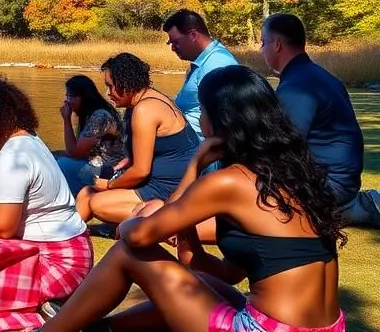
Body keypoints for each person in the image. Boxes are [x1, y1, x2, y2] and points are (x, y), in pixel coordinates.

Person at [38, 65, 345, 332]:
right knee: (208, 284)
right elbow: (224, 272)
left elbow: (139, 236)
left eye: (203, 110)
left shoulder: (231, 181)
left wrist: (139, 217)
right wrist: (182, 225)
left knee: (126, 253)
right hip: (325, 327)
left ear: (220, 119)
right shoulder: (292, 176)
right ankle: (101, 329)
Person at [0, 77, 92, 305]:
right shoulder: (28, 139)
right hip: (69, 251)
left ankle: (52, 309)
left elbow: (2, 227)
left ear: (1, 115)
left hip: (60, 262)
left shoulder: (12, 157)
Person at [260, 12, 380, 228]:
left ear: (277, 45)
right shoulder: (318, 76)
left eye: (263, 42)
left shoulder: (297, 87)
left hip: (328, 186)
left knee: (245, 196)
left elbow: (281, 147)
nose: (261, 49)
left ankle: (351, 210)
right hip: (341, 180)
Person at [76, 53, 198, 227]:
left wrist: (110, 185)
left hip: (170, 189)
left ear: (126, 85)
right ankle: (67, 233)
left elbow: (141, 171)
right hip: (158, 182)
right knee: (85, 192)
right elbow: (153, 151)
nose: (108, 93)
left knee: (96, 203)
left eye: (110, 86)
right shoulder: (145, 99)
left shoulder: (145, 109)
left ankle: (163, 215)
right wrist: (127, 162)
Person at [162, 9, 238, 138]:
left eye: (176, 42)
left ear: (193, 35)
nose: (173, 48)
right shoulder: (204, 61)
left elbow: (225, 123)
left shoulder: (217, 64)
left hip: (202, 150)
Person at [55, 75, 125, 196]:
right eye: (66, 95)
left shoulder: (100, 116)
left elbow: (75, 153)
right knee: (50, 156)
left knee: (59, 164)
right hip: (98, 163)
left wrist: (66, 119)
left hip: (111, 171)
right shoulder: (91, 115)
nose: (66, 100)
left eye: (70, 96)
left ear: (84, 97)